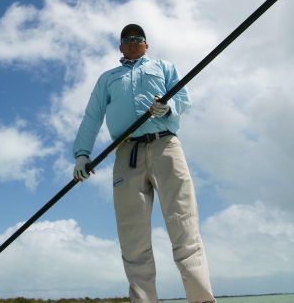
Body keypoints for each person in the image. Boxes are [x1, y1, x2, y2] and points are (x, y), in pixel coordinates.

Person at [73, 24, 216, 303]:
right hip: (126, 153)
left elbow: (183, 98)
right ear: (120, 47)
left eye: (138, 38)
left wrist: (169, 107)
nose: (133, 42)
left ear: (146, 45)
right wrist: (82, 153)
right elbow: (92, 116)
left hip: (166, 147)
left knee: (184, 226)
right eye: (127, 39)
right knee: (132, 235)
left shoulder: (163, 67)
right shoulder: (107, 78)